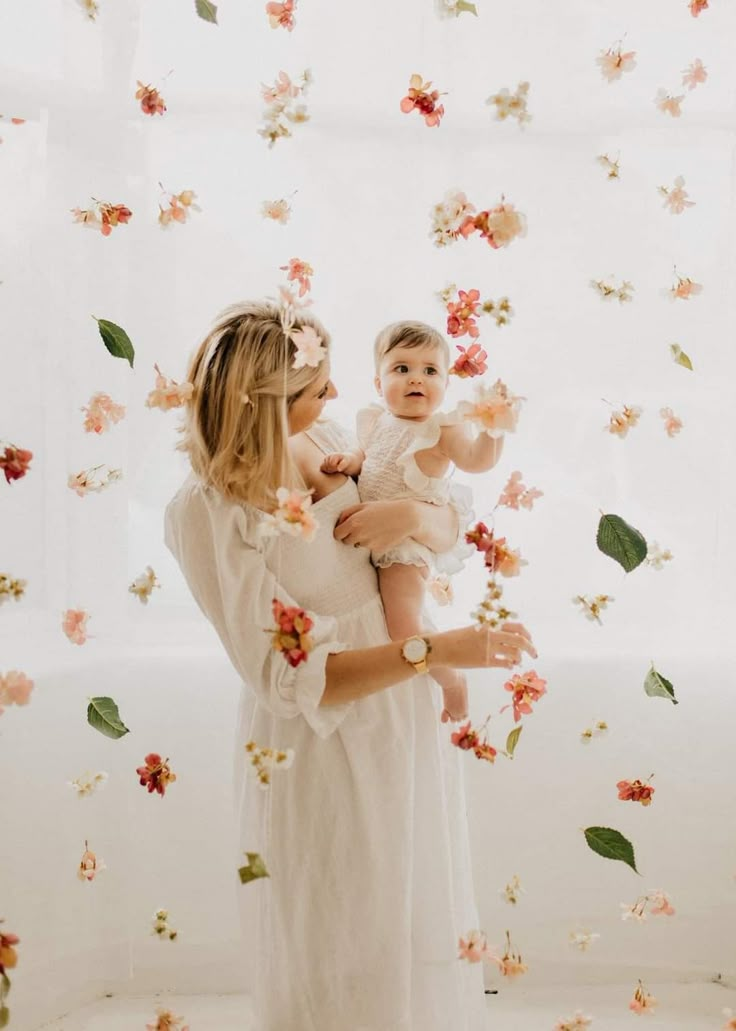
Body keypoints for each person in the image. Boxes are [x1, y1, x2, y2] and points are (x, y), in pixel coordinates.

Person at [163, 299, 537, 1031]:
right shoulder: (208, 511)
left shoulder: (329, 439)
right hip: (317, 739)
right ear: (260, 403)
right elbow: (291, 673)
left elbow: (440, 518)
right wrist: (439, 650)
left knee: (407, 921)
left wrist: (411, 520)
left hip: (398, 710)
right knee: (331, 932)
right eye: (316, 387)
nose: (336, 397)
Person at [319, 319, 504, 727]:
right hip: (371, 538)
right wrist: (347, 462)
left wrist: (493, 430)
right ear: (377, 381)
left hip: (405, 546)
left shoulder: (442, 430)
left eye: (430, 370)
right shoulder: (375, 420)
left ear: (445, 383)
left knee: (404, 629)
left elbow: (477, 461)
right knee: (401, 622)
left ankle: (452, 680)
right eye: (401, 369)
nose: (416, 379)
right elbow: (365, 458)